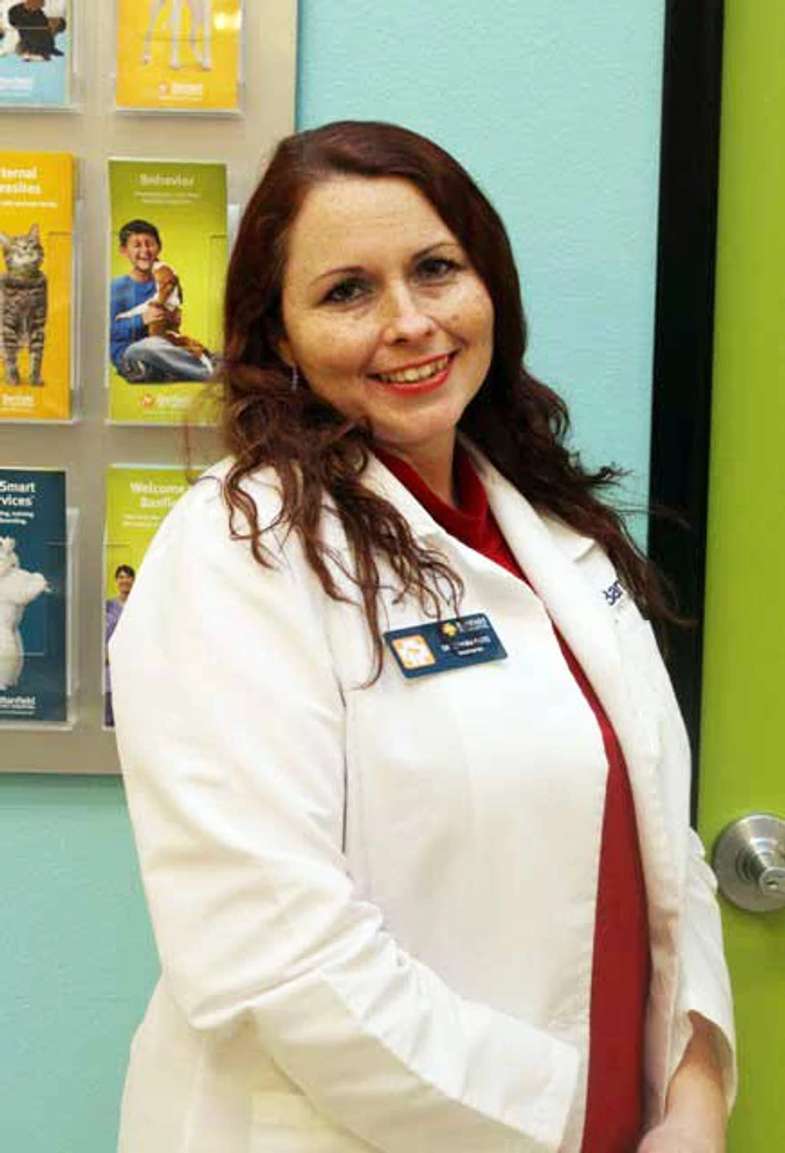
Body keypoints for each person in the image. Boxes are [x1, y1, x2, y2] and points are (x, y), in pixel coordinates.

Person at [110, 122, 736, 1153]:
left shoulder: (550, 529)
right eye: (346, 291)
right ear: (277, 337)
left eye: (436, 270)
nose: (409, 322)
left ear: (487, 283)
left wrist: (692, 1080)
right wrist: (568, 1117)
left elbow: (658, 837)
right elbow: (277, 953)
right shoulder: (238, 553)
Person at [109, 218, 213, 384]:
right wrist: (142, 319)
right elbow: (106, 332)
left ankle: (192, 366)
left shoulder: (165, 281)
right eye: (137, 245)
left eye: (149, 244)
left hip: (162, 348)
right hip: (130, 355)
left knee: (183, 345)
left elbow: (169, 326)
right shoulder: (117, 288)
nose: (145, 250)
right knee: (148, 347)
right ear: (123, 250)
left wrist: (172, 319)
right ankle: (210, 372)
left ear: (159, 247)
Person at [104, 564, 134, 728]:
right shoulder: (108, 606)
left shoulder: (139, 605)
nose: (125, 580)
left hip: (132, 665)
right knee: (109, 709)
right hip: (111, 665)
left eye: (128, 577)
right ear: (116, 580)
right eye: (121, 577)